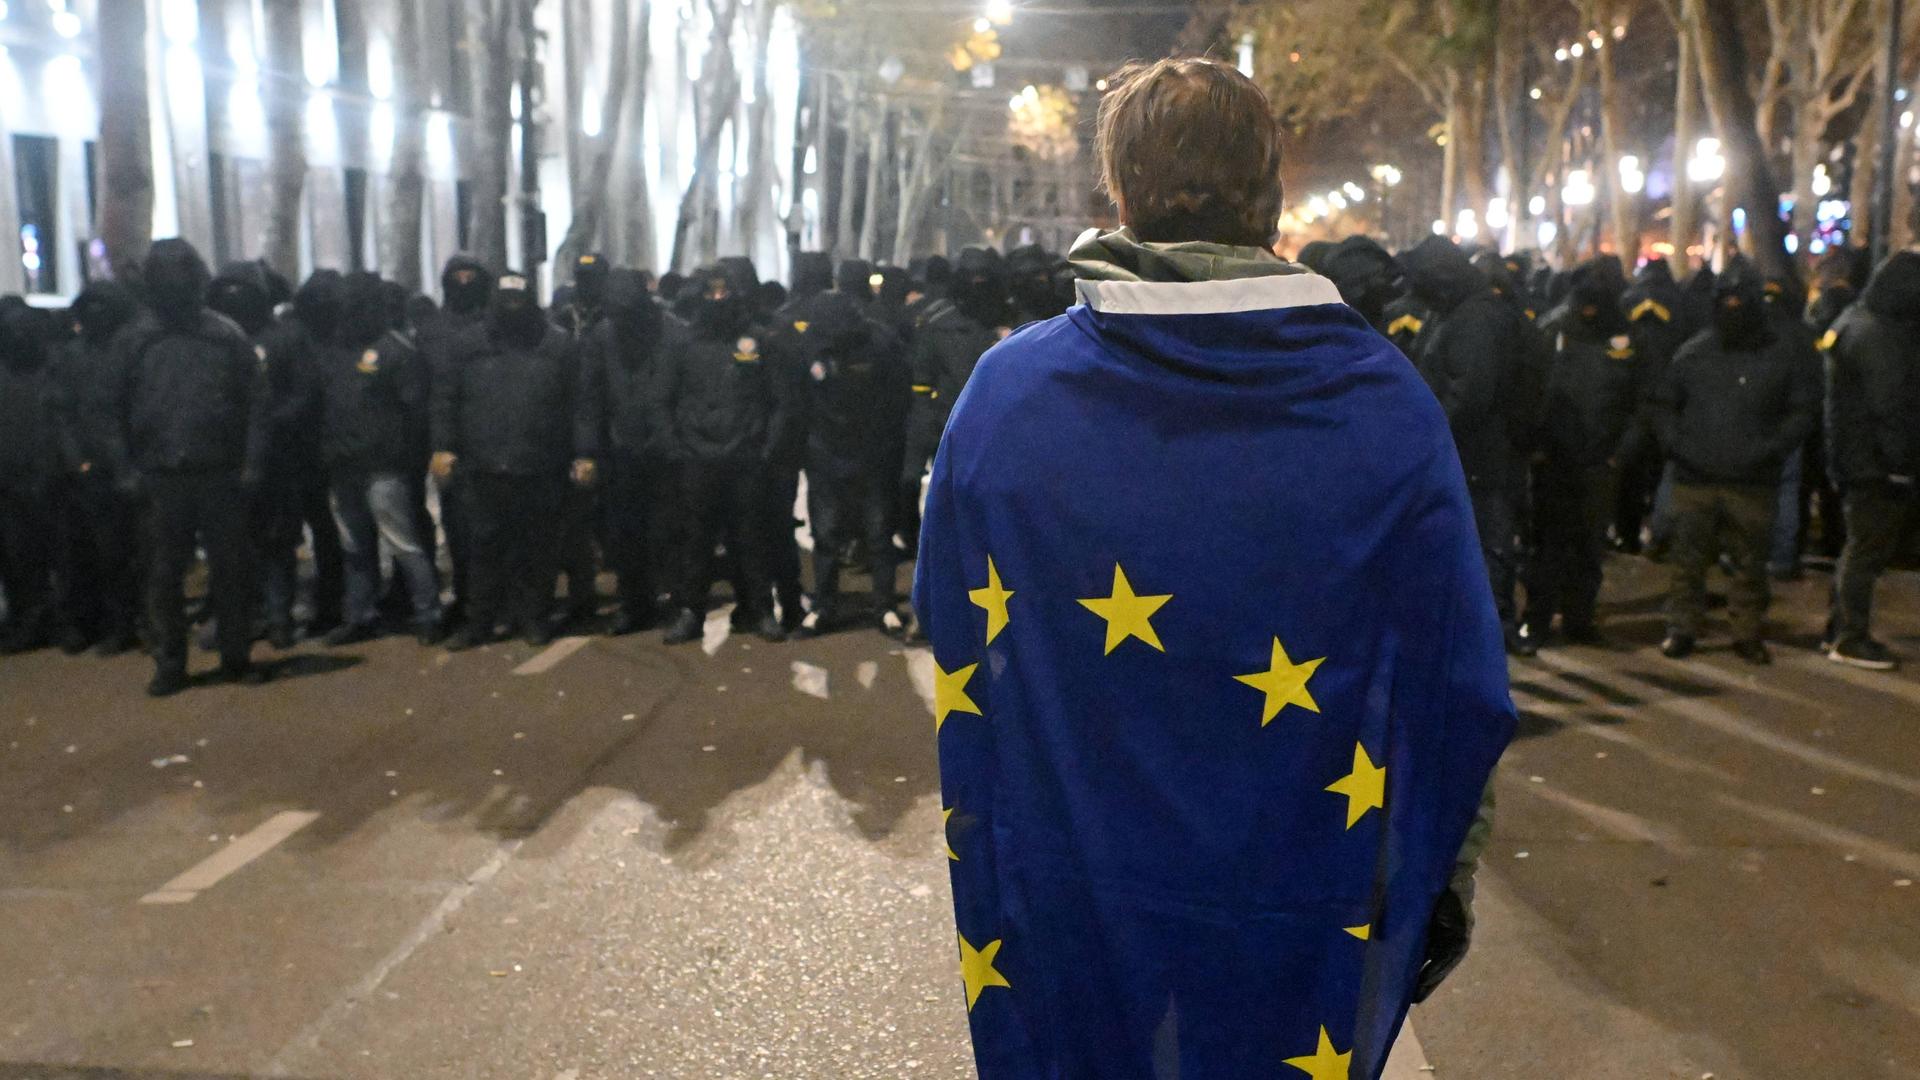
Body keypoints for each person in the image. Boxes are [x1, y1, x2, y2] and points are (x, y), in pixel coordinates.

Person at [914, 57, 1513, 1079]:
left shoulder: (1007, 399)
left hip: (1076, 883)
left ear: (1123, 193)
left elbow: (958, 634)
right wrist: (1435, 887)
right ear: (1271, 195)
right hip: (1298, 889)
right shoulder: (1385, 404)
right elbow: (1457, 682)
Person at [111, 239, 271, 696]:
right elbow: (109, 411)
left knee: (232, 571)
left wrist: (252, 464)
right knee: (163, 576)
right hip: (160, 476)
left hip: (219, 472)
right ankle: (170, 663)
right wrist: (124, 469)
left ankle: (236, 655)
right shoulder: (135, 340)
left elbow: (256, 403)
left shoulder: (225, 334)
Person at [1652, 259, 1819, 664]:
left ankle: (1745, 631)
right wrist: (1678, 446)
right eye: (1725, 300)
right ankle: (1682, 628)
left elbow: (1802, 409)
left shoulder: (1780, 353)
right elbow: (1662, 405)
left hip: (1751, 478)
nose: (1732, 308)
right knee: (1688, 561)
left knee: (1750, 563)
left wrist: (1771, 448)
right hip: (1697, 475)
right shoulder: (1693, 354)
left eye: (1738, 300)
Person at [432, 273, 586, 650]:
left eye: (519, 300)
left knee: (539, 548)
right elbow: (445, 399)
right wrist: (443, 446)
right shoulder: (468, 344)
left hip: (541, 463)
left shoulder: (558, 345)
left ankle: (534, 618)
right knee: (482, 548)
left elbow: (580, 406)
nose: (512, 308)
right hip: (482, 464)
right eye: (506, 300)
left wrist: (584, 453)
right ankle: (480, 620)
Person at [1399, 235, 1530, 655]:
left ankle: (1485, 641)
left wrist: (1430, 438)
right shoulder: (1458, 313)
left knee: (1485, 552)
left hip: (1477, 459)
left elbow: (1470, 394)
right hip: (1467, 456)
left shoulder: (1475, 319)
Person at [653, 263, 791, 646]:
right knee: (694, 541)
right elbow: (663, 400)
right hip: (697, 460)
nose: (717, 299)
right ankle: (690, 612)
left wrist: (766, 448)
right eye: (710, 292)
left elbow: (779, 401)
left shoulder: (758, 342)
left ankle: (759, 609)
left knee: (750, 540)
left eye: (723, 292)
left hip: (745, 459)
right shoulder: (682, 345)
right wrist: (676, 448)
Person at [776, 267, 906, 635]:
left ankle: (884, 605)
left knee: (878, 534)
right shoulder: (809, 345)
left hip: (871, 451)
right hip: (826, 452)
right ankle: (825, 604)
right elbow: (795, 399)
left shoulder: (879, 344)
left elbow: (896, 398)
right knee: (827, 534)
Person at [1521, 260, 1643, 649]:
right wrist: (1536, 447)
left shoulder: (1625, 337)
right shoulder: (1550, 330)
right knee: (1548, 545)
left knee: (1590, 545)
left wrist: (1621, 453)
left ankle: (1579, 618)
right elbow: (1528, 392)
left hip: (1599, 460)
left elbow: (1642, 400)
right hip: (1554, 459)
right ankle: (1536, 618)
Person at [318, 272, 444, 646]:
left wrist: (404, 459)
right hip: (344, 464)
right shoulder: (337, 350)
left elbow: (415, 412)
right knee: (355, 548)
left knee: (403, 545)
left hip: (382, 467)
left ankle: (429, 614)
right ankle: (360, 615)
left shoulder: (395, 350)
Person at [1821, 250, 1920, 670]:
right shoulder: (1882, 336)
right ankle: (1850, 636)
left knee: (1857, 547)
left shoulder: (1855, 321)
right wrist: (1899, 466)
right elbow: (1891, 407)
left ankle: (1839, 628)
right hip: (1874, 462)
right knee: (1866, 550)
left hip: (1853, 455)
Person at [577, 268, 686, 635]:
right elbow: (589, 399)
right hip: (622, 450)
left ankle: (674, 600)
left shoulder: (673, 334)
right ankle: (635, 603)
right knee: (625, 535)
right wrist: (588, 450)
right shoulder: (603, 337)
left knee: (668, 532)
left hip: (666, 451)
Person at [47, 282, 147, 656]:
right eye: (90, 307)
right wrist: (79, 462)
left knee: (142, 551)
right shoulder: (70, 357)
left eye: (104, 306)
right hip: (91, 472)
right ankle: (112, 623)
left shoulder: (131, 350)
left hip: (133, 465)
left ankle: (141, 622)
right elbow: (61, 414)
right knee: (100, 553)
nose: (96, 314)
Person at [419, 255, 496, 629]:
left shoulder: (495, 323)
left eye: (472, 276)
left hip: (492, 436)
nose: (464, 283)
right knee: (457, 526)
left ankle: (500, 598)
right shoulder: (432, 329)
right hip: (449, 440)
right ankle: (467, 597)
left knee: (495, 526)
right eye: (458, 277)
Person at [0, 300, 62, 654]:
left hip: (50, 478)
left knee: (55, 556)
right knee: (18, 560)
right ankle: (28, 617)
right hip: (10, 483)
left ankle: (53, 618)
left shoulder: (54, 365)